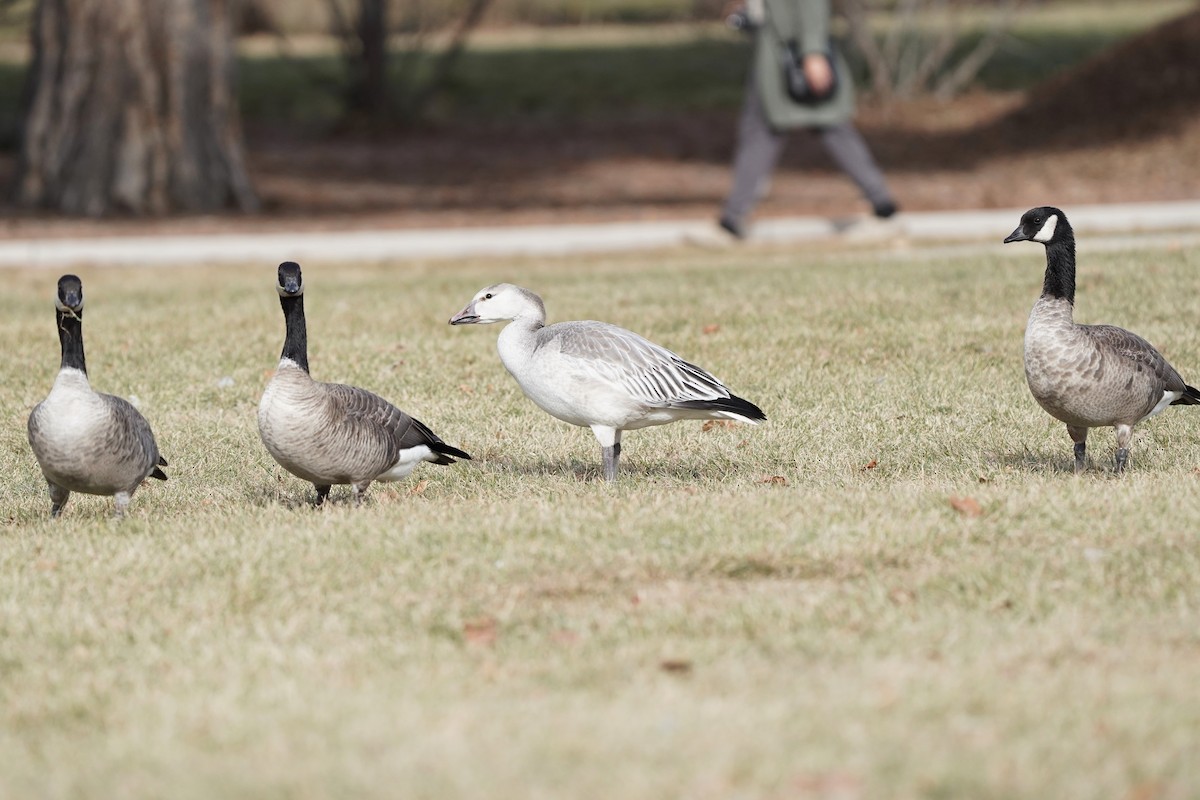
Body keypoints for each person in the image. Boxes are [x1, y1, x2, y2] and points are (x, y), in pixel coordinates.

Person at [718, 0, 897, 239]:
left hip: (793, 56)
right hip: (771, 54)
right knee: (762, 132)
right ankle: (733, 217)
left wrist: (813, 51)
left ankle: (885, 208)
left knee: (833, 127)